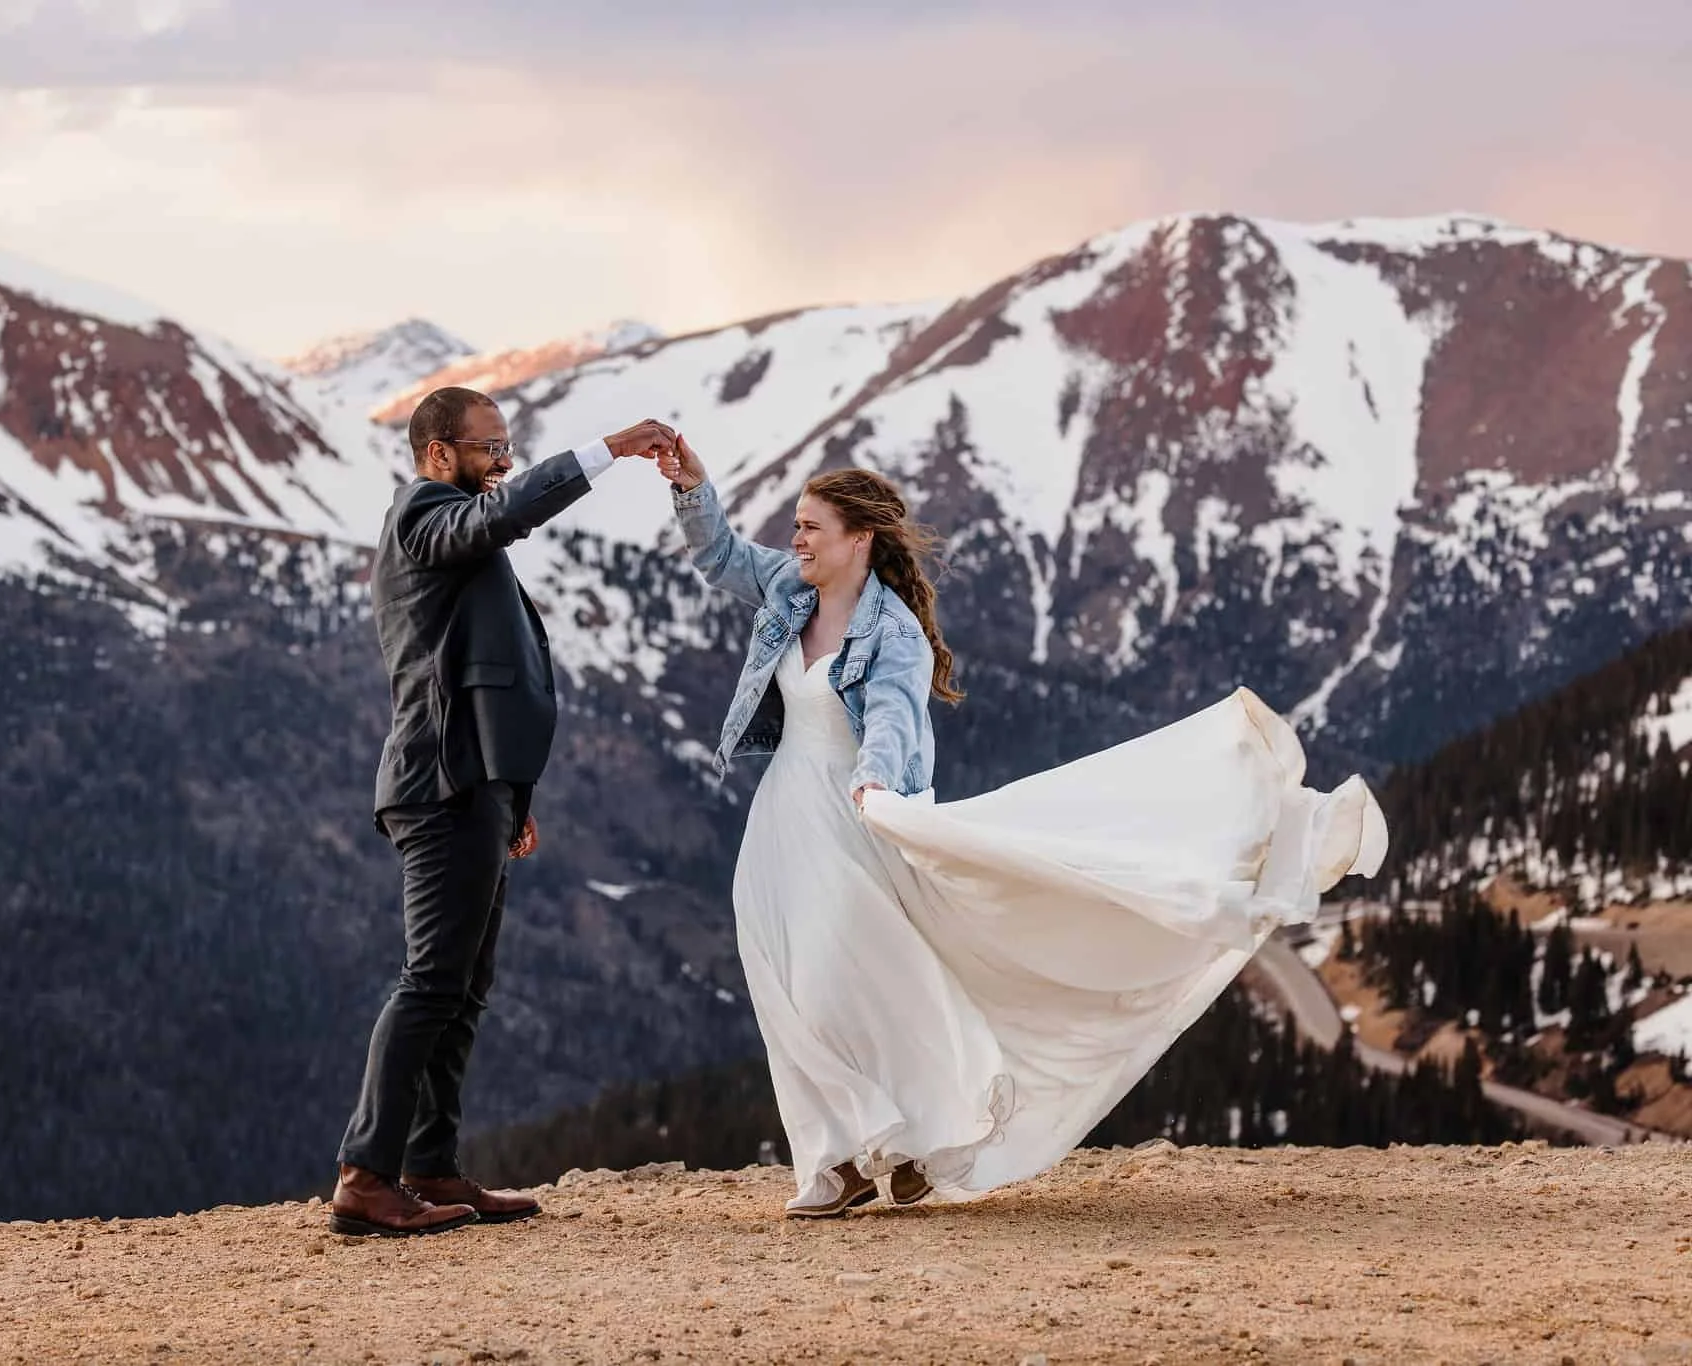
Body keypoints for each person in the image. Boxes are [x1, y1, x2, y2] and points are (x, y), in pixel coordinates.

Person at [656, 435, 1388, 1216]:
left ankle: (902, 1135)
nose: (795, 538)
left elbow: (894, 724)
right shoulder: (787, 589)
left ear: (858, 539)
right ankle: (847, 1154)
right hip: (782, 814)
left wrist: (874, 785)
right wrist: (693, 487)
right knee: (782, 977)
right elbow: (721, 555)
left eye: (810, 527)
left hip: (856, 811)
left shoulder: (892, 633)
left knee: (850, 977)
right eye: (796, 526)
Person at [329, 387, 677, 1237]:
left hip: (472, 785)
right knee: (431, 982)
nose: (504, 461)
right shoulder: (423, 515)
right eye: (489, 448)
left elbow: (481, 670)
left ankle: (432, 1168)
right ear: (439, 453)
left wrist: (512, 794)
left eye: (508, 446)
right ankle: (366, 1175)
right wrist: (607, 450)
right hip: (438, 785)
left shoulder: (454, 520)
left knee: (463, 986)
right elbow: (501, 520)